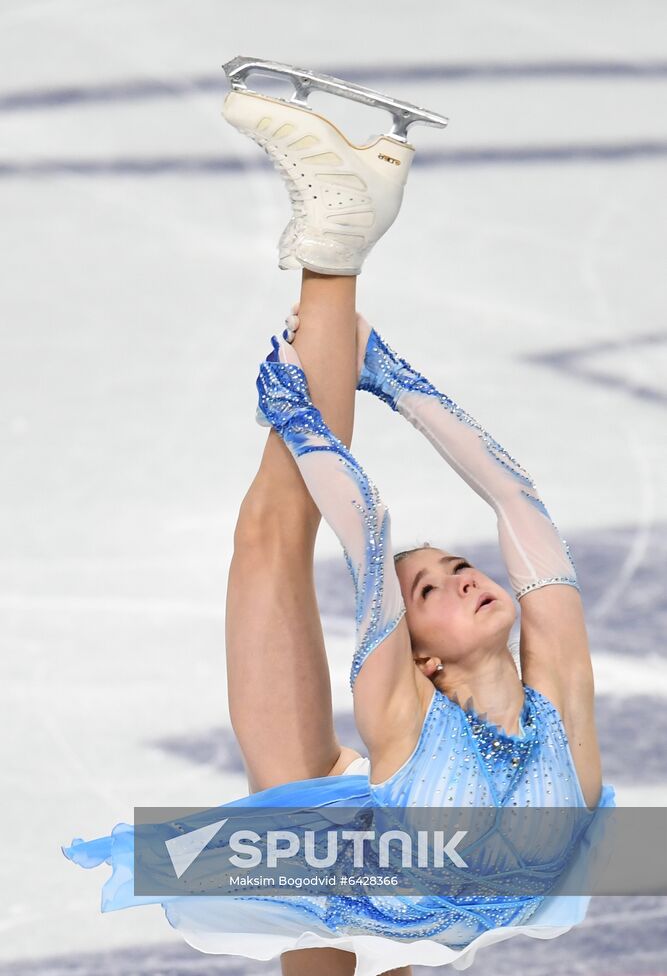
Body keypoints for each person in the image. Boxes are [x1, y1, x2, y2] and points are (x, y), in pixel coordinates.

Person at [63, 72, 615, 976]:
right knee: (273, 538)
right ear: (422, 658)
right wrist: (325, 413)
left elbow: (513, 504)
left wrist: (387, 386)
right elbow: (367, 526)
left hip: (399, 864)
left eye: (450, 569)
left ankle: (338, 245)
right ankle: (337, 245)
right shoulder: (425, 714)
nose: (464, 577)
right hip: (405, 861)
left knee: (266, 539)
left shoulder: (487, 707)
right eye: (432, 587)